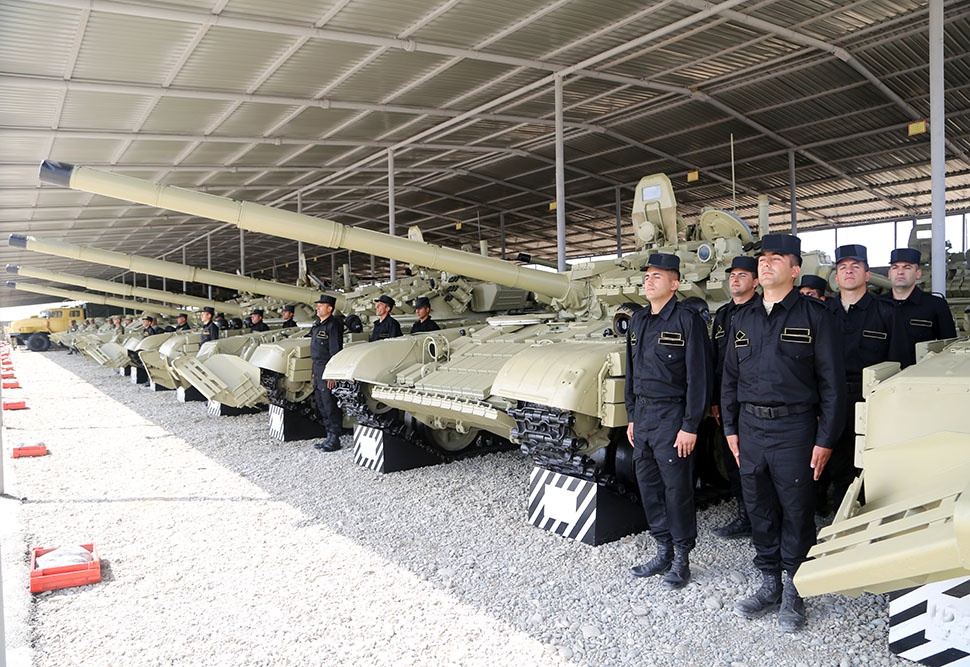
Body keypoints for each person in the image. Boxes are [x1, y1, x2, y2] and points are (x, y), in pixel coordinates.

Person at [721, 233, 844, 633]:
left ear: (795, 269)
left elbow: (832, 385)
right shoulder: (743, 318)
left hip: (796, 428)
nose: (767, 264)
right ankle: (769, 580)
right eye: (763, 259)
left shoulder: (815, 316)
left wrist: (825, 439)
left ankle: (795, 588)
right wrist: (730, 428)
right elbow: (729, 379)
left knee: (796, 509)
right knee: (758, 507)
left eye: (777, 258)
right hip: (751, 429)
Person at [625, 253, 711, 589]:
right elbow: (631, 373)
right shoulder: (639, 321)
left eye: (657, 277)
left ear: (675, 284)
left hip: (673, 417)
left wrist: (690, 425)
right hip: (644, 418)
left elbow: (698, 377)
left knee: (677, 491)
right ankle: (662, 549)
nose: (649, 281)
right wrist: (631, 417)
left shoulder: (687, 320)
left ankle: (682, 559)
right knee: (649, 487)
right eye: (647, 276)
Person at [823, 244, 898, 512]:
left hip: (871, 401)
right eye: (843, 267)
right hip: (830, 399)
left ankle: (866, 516)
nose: (849, 271)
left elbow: (897, 362)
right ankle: (841, 516)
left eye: (856, 267)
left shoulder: (886, 313)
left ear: (867, 274)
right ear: (837, 276)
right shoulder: (822, 314)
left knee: (869, 463)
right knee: (837, 461)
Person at [711, 255, 759, 539]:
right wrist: (715, 400)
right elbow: (718, 362)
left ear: (755, 281)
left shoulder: (762, 312)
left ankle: (761, 519)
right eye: (732, 275)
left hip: (755, 400)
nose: (735, 279)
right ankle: (744, 516)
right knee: (733, 461)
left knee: (757, 465)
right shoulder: (723, 316)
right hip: (728, 403)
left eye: (742, 275)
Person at [886, 247, 957, 368]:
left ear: (918, 273)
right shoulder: (877, 304)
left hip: (920, 377)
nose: (900, 272)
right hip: (878, 379)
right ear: (889, 274)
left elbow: (949, 347)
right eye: (895, 267)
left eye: (907, 267)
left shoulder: (936, 305)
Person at [310, 294, 344, 452]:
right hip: (317, 368)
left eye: (321, 305)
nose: (317, 307)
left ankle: (335, 438)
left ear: (329, 308)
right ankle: (328, 435)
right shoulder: (317, 325)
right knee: (321, 404)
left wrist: (332, 374)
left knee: (330, 404)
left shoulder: (333, 325)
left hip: (327, 368)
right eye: (318, 305)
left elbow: (335, 351)